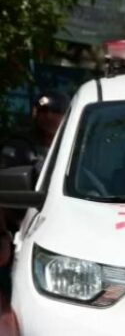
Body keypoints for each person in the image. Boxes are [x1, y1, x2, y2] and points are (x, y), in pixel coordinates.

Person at [0, 91, 69, 336]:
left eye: (55, 111)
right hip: (22, 231)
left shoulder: (76, 143)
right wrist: (6, 235)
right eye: (44, 111)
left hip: (67, 228)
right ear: (34, 113)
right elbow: (6, 195)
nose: (49, 116)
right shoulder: (20, 147)